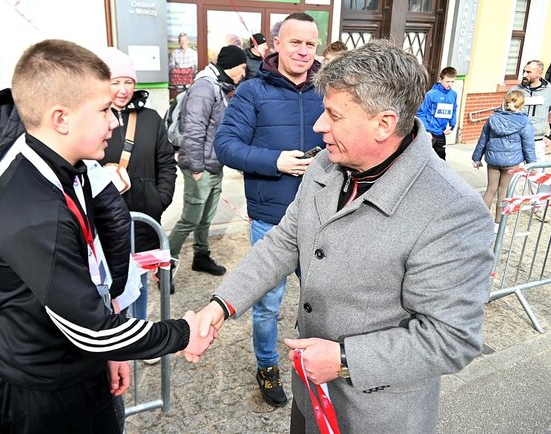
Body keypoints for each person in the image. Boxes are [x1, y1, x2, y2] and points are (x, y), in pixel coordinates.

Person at [0, 37, 214, 433]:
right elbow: (85, 321)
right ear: (61, 119)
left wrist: (112, 331)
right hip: (45, 384)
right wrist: (181, 333)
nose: (115, 122)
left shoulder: (61, 167)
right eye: (104, 110)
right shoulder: (33, 203)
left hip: (74, 359)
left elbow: (98, 238)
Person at [198, 39, 495, 433]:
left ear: (384, 123)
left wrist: (344, 359)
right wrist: (220, 305)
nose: (319, 126)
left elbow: (452, 338)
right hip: (310, 397)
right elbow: (283, 243)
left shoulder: (451, 209)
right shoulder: (325, 164)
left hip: (378, 416)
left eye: (334, 115)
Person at [213, 12, 323, 407]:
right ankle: (266, 365)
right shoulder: (252, 91)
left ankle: (316, 363)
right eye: (295, 42)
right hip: (271, 221)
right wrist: (275, 161)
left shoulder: (328, 88)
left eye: (310, 44)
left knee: (323, 301)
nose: (304, 51)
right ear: (276, 44)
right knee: (267, 305)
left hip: (322, 219)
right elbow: (225, 146)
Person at [96, 47, 176, 320]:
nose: (123, 90)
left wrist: (160, 198)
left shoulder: (151, 118)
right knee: (107, 281)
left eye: (128, 82)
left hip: (144, 216)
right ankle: (113, 334)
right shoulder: (93, 119)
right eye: (115, 82)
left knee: (138, 280)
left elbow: (166, 162)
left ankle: (138, 332)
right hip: (104, 219)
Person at [167, 45, 247, 277]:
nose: (244, 74)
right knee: (190, 219)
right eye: (242, 68)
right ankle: (164, 266)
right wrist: (197, 167)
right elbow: (193, 129)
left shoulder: (219, 86)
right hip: (200, 166)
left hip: (213, 165)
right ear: (232, 66)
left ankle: (201, 257)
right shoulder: (204, 87)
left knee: (205, 219)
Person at [472, 90, 536, 232]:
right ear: (522, 105)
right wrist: (532, 164)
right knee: (504, 191)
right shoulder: (524, 122)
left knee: (490, 189)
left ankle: (481, 222)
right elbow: (528, 146)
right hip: (512, 162)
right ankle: (499, 223)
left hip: (493, 159)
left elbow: (483, 140)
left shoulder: (493, 118)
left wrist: (476, 158)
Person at [511, 60, 551, 164]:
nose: (524, 75)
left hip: (537, 142)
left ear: (539, 74)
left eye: (529, 72)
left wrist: (549, 137)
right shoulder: (514, 90)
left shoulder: (549, 91)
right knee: (515, 173)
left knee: (535, 173)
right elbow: (503, 114)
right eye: (524, 71)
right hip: (515, 141)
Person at [416, 66, 458, 160]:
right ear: (440, 80)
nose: (450, 84)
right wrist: (426, 130)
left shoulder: (453, 94)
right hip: (430, 132)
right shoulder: (430, 95)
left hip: (441, 133)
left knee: (441, 159)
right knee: (424, 159)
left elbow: (454, 109)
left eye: (452, 82)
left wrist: (452, 125)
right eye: (447, 81)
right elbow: (421, 113)